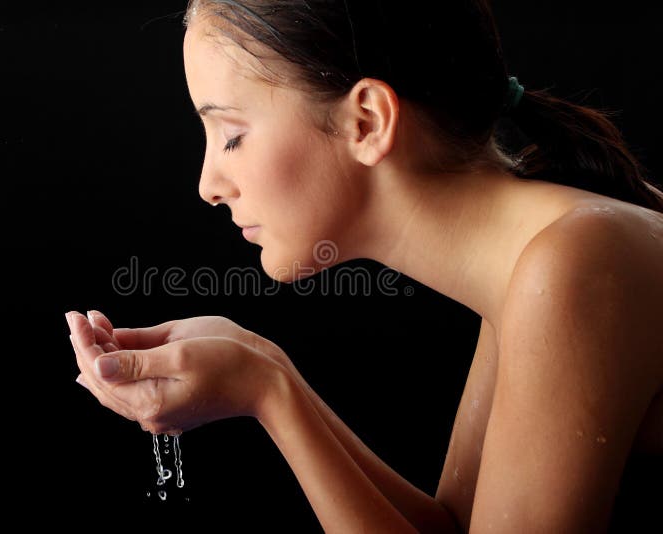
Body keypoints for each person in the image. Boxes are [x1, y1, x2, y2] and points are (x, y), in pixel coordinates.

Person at [67, 1, 663, 531]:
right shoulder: (535, 264)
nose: (208, 186)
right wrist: (268, 371)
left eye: (231, 135)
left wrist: (269, 394)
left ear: (368, 121)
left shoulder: (574, 267)